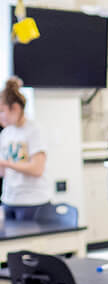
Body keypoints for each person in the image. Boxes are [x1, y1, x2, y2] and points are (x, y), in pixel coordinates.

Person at [0, 77, 52, 220]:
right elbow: (3, 172)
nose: (0, 117)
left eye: (2, 111)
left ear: (15, 108)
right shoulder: (6, 133)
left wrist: (6, 163)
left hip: (33, 202)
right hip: (9, 200)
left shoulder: (34, 130)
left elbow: (37, 169)